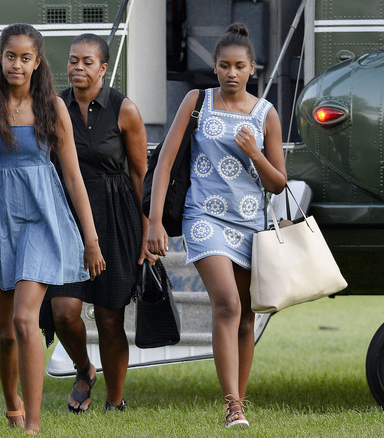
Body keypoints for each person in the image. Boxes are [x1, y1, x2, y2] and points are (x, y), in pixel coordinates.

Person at [0, 23, 105, 435]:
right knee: (5, 334)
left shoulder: (53, 108)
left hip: (40, 216)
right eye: (9, 56)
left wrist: (90, 239)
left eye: (24, 57)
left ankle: (33, 425)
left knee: (24, 320)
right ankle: (11, 405)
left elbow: (73, 177)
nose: (16, 64)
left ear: (37, 62)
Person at [146, 23, 287, 428]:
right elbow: (165, 161)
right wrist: (154, 220)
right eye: (223, 65)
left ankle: (239, 399)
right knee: (226, 303)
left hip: (251, 223)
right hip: (204, 217)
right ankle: (233, 406)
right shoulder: (197, 101)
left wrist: (254, 154)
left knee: (246, 316)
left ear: (252, 69)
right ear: (214, 68)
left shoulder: (266, 114)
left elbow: (278, 182)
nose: (230, 73)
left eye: (238, 66)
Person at [39, 33, 155, 414]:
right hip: (66, 218)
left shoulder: (125, 110)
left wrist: (146, 230)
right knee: (64, 311)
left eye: (87, 62)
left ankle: (115, 400)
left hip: (115, 215)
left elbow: (140, 175)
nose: (77, 68)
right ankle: (84, 369)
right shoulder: (53, 106)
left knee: (109, 316)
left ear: (104, 68)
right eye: (73, 61)